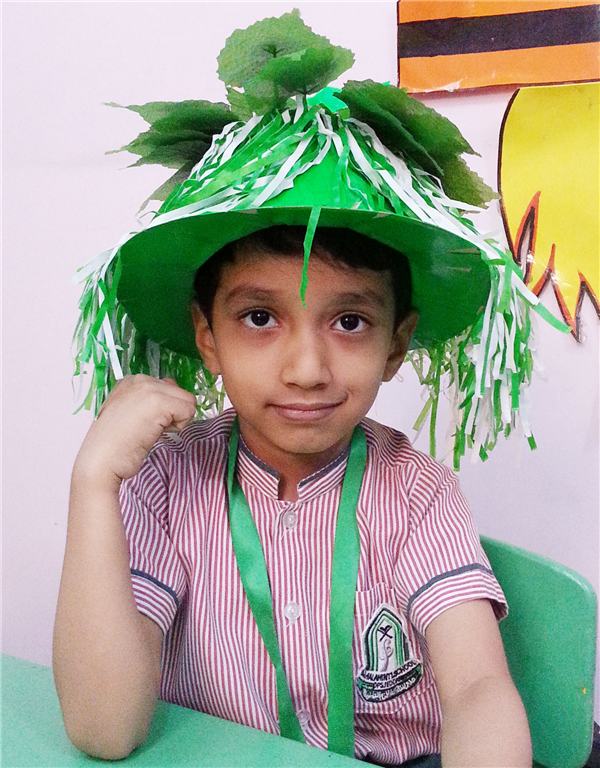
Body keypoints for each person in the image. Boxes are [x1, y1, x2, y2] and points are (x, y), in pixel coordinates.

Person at [54, 11, 537, 767]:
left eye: (349, 321)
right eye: (259, 317)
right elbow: (104, 730)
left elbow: (478, 689)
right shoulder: (164, 482)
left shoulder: (418, 494)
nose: (307, 368)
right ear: (206, 336)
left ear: (396, 344)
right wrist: (92, 484)